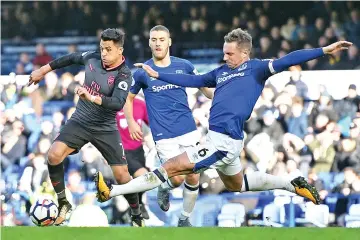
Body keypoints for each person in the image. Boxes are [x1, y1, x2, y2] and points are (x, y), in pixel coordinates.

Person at [95, 28, 352, 209]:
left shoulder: (257, 69)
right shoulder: (220, 72)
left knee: (171, 168)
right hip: (223, 139)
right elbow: (193, 81)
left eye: (229, 54)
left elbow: (289, 59)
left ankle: (112, 191)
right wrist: (158, 75)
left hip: (223, 141)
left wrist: (323, 50)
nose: (225, 57)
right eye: (224, 53)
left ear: (244, 53)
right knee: (236, 185)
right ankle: (290, 183)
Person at [27, 28, 144, 227]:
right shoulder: (92, 58)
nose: (104, 53)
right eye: (102, 48)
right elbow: (68, 59)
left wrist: (91, 97)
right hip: (80, 121)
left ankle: (136, 214)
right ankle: (64, 203)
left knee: (123, 176)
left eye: (108, 49)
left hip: (105, 127)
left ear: (119, 50)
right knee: (53, 155)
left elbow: (117, 103)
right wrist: (42, 70)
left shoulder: (124, 74)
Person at [123, 25, 214, 227]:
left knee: (193, 174)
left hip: (188, 130)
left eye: (162, 39)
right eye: (154, 39)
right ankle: (165, 186)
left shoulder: (185, 66)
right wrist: (131, 122)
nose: (157, 43)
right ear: (149, 43)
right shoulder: (142, 72)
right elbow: (127, 100)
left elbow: (207, 91)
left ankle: (184, 219)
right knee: (178, 179)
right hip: (164, 135)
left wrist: (226, 99)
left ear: (169, 42)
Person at [116, 97, 150, 219]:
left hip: (138, 150)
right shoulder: (113, 104)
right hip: (121, 152)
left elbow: (151, 123)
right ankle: (137, 205)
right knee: (144, 176)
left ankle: (136, 206)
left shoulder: (141, 104)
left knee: (144, 181)